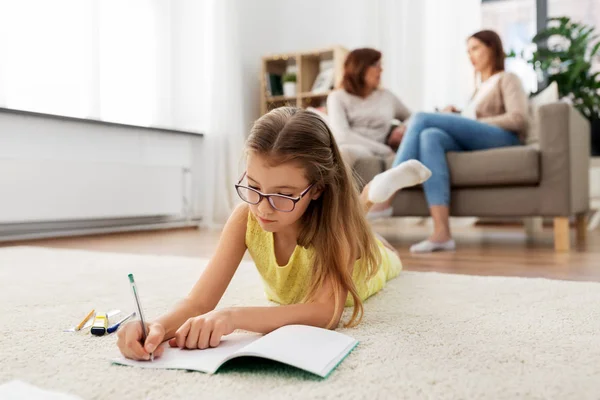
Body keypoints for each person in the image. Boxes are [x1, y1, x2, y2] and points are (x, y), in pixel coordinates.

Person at [116, 107, 431, 360]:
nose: (263, 208)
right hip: (330, 224)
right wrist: (157, 325)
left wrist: (233, 317)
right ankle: (371, 195)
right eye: (253, 187)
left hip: (368, 262)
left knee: (368, 238)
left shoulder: (336, 229)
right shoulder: (245, 219)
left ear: (317, 189)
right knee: (353, 219)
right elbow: (198, 301)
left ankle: (374, 193)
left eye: (283, 194)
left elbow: (326, 312)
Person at [369, 30, 529, 253]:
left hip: (504, 138)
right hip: (479, 137)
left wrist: (470, 119)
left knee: (422, 118)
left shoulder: (506, 79)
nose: (470, 55)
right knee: (429, 136)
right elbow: (470, 120)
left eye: (475, 48)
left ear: (492, 48)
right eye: (468, 51)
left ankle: (386, 197)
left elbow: (518, 119)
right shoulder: (477, 89)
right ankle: (441, 233)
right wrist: (459, 114)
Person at [327, 48, 411, 167]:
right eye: (376, 65)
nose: (381, 69)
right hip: (354, 147)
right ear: (359, 68)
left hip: (375, 151)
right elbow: (342, 135)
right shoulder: (337, 97)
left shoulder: (387, 97)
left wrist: (403, 127)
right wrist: (384, 150)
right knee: (343, 152)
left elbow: (413, 117)